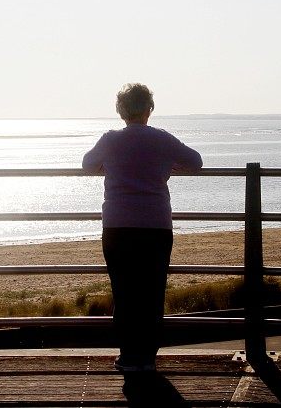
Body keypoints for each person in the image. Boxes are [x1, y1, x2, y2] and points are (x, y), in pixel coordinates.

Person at [82, 83, 203, 372]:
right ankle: (147, 358)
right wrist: (168, 165)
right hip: (155, 227)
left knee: (124, 294)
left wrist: (109, 167)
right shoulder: (162, 140)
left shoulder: (111, 140)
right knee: (151, 294)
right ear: (150, 109)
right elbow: (196, 162)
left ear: (121, 111)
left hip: (118, 228)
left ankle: (128, 356)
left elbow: (88, 164)